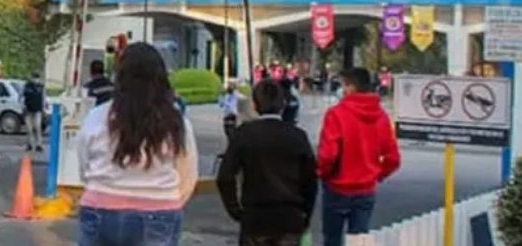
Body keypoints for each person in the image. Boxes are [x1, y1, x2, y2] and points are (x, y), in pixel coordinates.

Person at [77, 42, 198, 246]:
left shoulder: (97, 116)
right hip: (158, 213)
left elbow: (84, 166)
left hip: (100, 209)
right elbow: (188, 176)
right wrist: (167, 199)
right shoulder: (176, 122)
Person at [218, 80, 317, 246]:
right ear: (283, 105)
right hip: (290, 216)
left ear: (255, 106)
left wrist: (236, 211)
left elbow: (225, 177)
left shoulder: (244, 135)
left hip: (255, 216)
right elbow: (311, 181)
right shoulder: (298, 136)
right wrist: (306, 213)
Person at [317, 67, 401, 246]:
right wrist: (377, 174)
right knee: (359, 240)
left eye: (343, 85)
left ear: (351, 87)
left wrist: (324, 174)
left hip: (337, 186)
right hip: (365, 188)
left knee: (332, 239)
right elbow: (393, 158)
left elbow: (328, 155)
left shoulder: (336, 114)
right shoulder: (381, 117)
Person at [23, 71, 45, 152]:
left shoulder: (41, 86)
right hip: (28, 109)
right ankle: (29, 144)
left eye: (36, 78)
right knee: (29, 128)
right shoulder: (27, 85)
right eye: (34, 77)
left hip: (37, 109)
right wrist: (23, 106)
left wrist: (43, 107)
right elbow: (22, 96)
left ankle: (39, 144)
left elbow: (43, 97)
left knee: (37, 127)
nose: (35, 80)